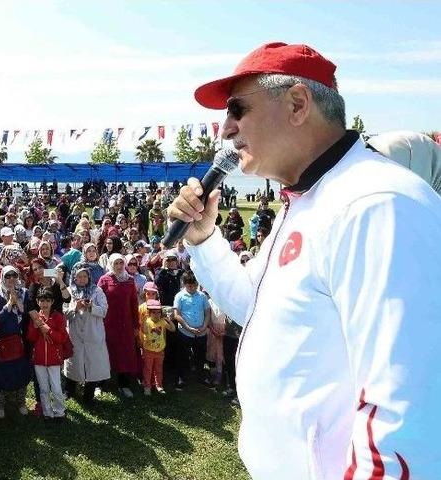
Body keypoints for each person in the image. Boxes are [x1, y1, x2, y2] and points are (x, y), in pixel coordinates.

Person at [169, 41, 441, 477]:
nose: (225, 129)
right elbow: (253, 306)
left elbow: (407, 414)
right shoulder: (307, 200)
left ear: (298, 104)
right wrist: (203, 240)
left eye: (237, 109)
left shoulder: (377, 204)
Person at [62, 264, 110, 403]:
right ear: (74, 278)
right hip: (75, 333)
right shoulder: (69, 291)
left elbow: (104, 311)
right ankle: (69, 390)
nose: (82, 279)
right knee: (73, 361)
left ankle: (89, 395)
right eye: (79, 276)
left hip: (93, 333)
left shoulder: (97, 291)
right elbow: (64, 312)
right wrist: (75, 307)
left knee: (93, 364)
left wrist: (92, 307)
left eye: (85, 276)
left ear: (89, 277)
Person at [0, 266, 30, 418]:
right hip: (3, 341)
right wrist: (9, 304)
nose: (11, 278)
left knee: (20, 371)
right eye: (7, 276)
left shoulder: (24, 293)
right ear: (2, 278)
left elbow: (27, 314)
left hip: (19, 340)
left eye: (14, 275)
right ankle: (0, 405)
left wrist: (17, 301)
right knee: (1, 373)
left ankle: (21, 402)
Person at [96, 253, 139, 398]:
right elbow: (97, 300)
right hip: (108, 323)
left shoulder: (130, 280)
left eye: (121, 263)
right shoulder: (104, 279)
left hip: (125, 324)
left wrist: (136, 325)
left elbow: (134, 303)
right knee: (105, 353)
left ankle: (124, 385)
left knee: (124, 354)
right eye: (116, 263)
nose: (119, 266)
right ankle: (100, 383)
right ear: (111, 264)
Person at [27, 289, 70, 421]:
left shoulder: (57, 317)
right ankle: (47, 412)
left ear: (52, 302)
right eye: (42, 300)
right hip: (39, 359)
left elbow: (62, 338)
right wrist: (34, 327)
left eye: (47, 301)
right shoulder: (35, 317)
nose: (44, 304)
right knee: (44, 388)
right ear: (37, 302)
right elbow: (31, 338)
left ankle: (60, 412)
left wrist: (49, 330)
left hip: (54, 359)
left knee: (56, 388)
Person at [172, 272, 210, 389]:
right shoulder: (180, 296)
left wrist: (204, 326)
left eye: (194, 285)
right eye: (189, 286)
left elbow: (207, 312)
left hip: (201, 332)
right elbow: (177, 314)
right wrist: (188, 327)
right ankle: (180, 378)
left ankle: (200, 376)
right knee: (182, 355)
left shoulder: (202, 296)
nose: (192, 288)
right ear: (184, 284)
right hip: (185, 332)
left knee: (200, 355)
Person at [137, 298, 175, 395]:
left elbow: (173, 329)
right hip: (148, 350)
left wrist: (169, 320)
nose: (156, 314)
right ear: (149, 313)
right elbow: (144, 331)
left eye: (158, 312)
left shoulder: (162, 322)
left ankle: (159, 385)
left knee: (159, 369)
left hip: (160, 351)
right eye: (154, 312)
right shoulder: (147, 322)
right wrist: (144, 321)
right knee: (148, 369)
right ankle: (147, 386)